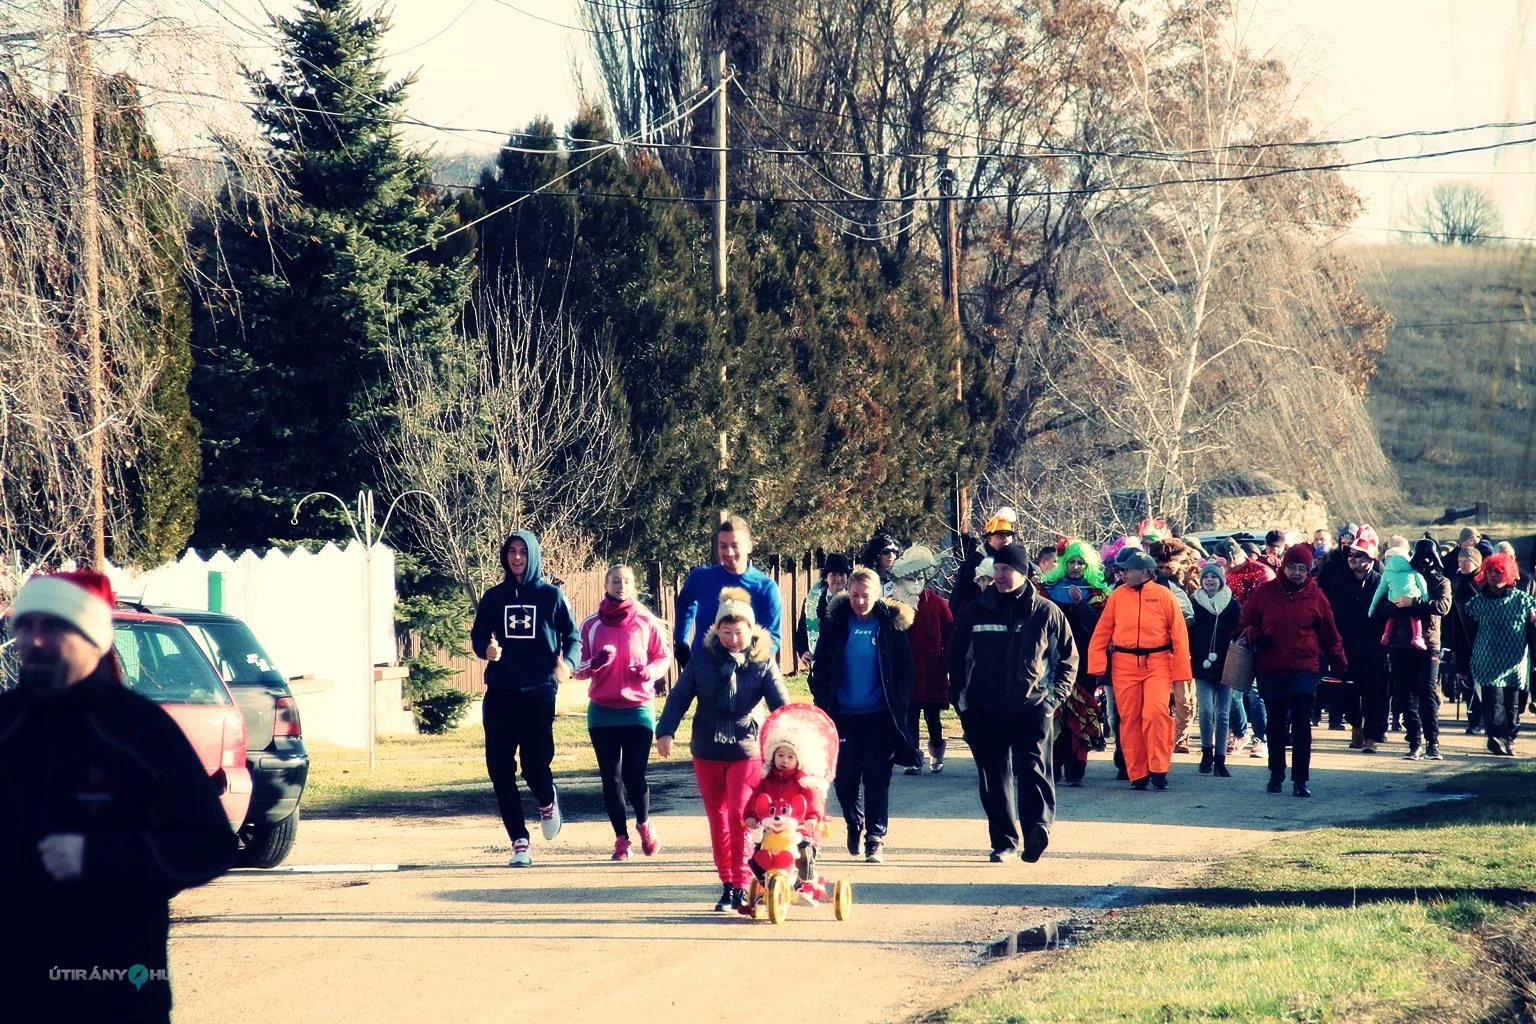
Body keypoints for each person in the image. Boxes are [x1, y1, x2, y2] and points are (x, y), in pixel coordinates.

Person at [1, 570, 236, 1022]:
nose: (34, 640)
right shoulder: (6, 724)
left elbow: (209, 845)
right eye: (25, 626)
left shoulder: (139, 730)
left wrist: (98, 857)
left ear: (92, 636)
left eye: (54, 625)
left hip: (112, 984)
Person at [656, 587, 790, 911]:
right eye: (726, 632)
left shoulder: (762, 661)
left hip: (746, 748)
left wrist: (791, 736)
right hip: (707, 748)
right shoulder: (703, 658)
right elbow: (679, 695)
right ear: (717, 630)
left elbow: (780, 705)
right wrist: (666, 731)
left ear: (750, 629)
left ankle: (743, 883)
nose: (732, 639)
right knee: (717, 818)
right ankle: (727, 884)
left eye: (738, 632)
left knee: (740, 815)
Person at [949, 543, 1078, 862]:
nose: (1000, 575)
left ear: (1023, 573)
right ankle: (1004, 841)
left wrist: (1052, 700)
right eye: (997, 569)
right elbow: (956, 659)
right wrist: (962, 703)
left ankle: (1037, 830)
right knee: (994, 777)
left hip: (1032, 707)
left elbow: (1067, 659)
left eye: (1006, 570)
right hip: (984, 708)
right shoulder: (975, 610)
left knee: (1033, 770)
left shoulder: (1046, 612)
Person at [471, 530, 581, 867]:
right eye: (512, 551)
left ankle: (547, 801)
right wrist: (486, 649)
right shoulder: (494, 597)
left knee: (534, 765)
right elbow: (478, 635)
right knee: (499, 768)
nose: (517, 557)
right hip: (501, 692)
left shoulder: (550, 596)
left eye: (522, 552)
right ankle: (520, 842)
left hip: (539, 691)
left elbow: (573, 637)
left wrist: (568, 663)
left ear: (532, 555)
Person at [809, 567, 918, 863]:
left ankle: (875, 838)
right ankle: (854, 821)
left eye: (865, 596)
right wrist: (822, 699)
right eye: (855, 595)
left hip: (880, 717)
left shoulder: (890, 627)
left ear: (877, 595)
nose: (859, 601)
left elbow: (905, 671)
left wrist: (900, 704)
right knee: (845, 780)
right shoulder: (835, 624)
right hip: (842, 717)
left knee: (876, 779)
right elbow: (821, 666)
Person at [574, 564, 672, 861]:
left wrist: (649, 672)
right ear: (606, 585)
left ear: (633, 586)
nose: (621, 586)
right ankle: (621, 839)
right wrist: (595, 663)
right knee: (611, 778)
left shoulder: (645, 620)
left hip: (638, 709)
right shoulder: (591, 624)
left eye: (626, 581)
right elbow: (576, 668)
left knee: (633, 775)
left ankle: (644, 823)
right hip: (602, 711)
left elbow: (663, 657)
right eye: (615, 581)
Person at [1237, 544, 1348, 797]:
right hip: (1271, 665)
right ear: (1284, 567)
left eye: (1302, 569)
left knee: (1301, 721)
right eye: (1292, 568)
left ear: (1308, 571)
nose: (1297, 573)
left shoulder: (1316, 596)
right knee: (1276, 722)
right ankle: (1276, 774)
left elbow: (1330, 634)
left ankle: (1300, 779)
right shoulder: (1265, 593)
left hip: (1303, 665)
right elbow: (1244, 622)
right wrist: (1256, 634)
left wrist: (1340, 664)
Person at [1086, 549, 1193, 792]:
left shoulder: (1164, 595)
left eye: (1128, 570)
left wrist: (1181, 674)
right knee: (1130, 719)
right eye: (1122, 570)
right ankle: (1138, 773)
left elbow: (1179, 635)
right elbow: (1103, 630)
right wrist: (1097, 666)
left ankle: (1158, 769)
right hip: (1124, 663)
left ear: (1144, 572)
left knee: (1155, 714)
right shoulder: (1117, 595)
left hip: (1158, 661)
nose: (1123, 574)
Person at [1039, 539, 1109, 786]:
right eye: (1072, 562)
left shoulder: (1098, 593)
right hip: (1053, 660)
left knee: (1080, 714)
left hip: (1085, 663)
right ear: (1064, 563)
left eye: (1081, 563)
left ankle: (1076, 767)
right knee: (1054, 713)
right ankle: (1054, 765)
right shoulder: (1047, 590)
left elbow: (1099, 627)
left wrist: (1080, 603)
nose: (1076, 567)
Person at [675, 516, 784, 666]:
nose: (729, 552)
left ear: (749, 546)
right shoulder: (700, 578)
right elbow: (685, 604)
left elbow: (772, 638)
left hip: (746, 671)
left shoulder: (765, 588)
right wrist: (681, 641)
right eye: (723, 546)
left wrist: (749, 662)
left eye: (735, 545)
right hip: (703, 669)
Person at [888, 546, 955, 775]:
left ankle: (937, 751)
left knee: (933, 718)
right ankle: (913, 757)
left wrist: (944, 660)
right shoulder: (897, 604)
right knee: (911, 716)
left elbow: (951, 634)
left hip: (933, 671)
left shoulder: (938, 604)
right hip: (909, 671)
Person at [1320, 525, 1386, 752]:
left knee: (1374, 692)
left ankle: (1372, 736)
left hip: (1374, 647)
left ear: (1370, 559)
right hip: (1345, 645)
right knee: (1348, 690)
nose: (1352, 558)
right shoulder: (1338, 580)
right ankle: (1356, 724)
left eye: (1358, 555)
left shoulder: (1380, 583)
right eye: (1351, 554)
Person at [1465, 553, 1536, 757]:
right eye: (1489, 571)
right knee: (1493, 702)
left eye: (1498, 571)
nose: (1493, 575)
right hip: (1487, 661)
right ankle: (1496, 738)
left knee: (1513, 705)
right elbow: (1466, 632)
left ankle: (1510, 739)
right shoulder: (1477, 602)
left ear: (1508, 574)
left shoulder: (1524, 601)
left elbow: (1533, 630)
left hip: (1515, 662)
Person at [1388, 539, 1453, 761]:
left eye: (1429, 557)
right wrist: (1398, 603)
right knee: (1405, 694)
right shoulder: (1403, 577)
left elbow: (1443, 606)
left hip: (1428, 644)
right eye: (1421, 557)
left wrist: (1413, 603)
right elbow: (1386, 605)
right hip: (1401, 643)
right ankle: (1414, 741)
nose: (1425, 561)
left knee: (1427, 692)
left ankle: (1432, 742)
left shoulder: (1441, 581)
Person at [743, 736, 827, 905]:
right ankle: (765, 883)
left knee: (803, 853)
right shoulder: (767, 780)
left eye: (790, 757)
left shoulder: (804, 781)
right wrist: (751, 815)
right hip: (771, 828)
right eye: (780, 755)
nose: (784, 760)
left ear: (798, 760)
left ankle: (804, 884)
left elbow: (813, 800)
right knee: (756, 856)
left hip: (798, 828)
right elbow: (756, 799)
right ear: (772, 756)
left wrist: (812, 817)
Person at [1191, 561, 1242, 777]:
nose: (1209, 580)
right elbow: (1188, 633)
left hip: (1226, 664)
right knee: (1205, 711)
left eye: (1214, 577)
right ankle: (1206, 753)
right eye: (1206, 577)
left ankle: (1220, 759)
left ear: (1221, 580)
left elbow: (1240, 632)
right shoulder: (1194, 603)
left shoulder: (1232, 605)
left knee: (1222, 714)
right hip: (1202, 664)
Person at [1148, 539, 1198, 753]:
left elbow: (1192, 617)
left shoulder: (1190, 584)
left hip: (1183, 648)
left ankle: (1181, 737)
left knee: (1184, 698)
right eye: (1159, 567)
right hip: (1157, 649)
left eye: (1168, 567)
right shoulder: (1151, 585)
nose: (1164, 571)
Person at [1445, 545, 1484, 733]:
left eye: (1465, 561)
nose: (1461, 564)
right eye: (1459, 561)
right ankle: (1473, 721)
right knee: (1466, 680)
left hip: (1481, 637)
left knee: (1482, 682)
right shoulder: (1456, 581)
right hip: (1461, 637)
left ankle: (1483, 719)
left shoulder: (1482, 582)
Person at [951, 507, 1017, 611]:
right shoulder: (975, 561)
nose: (1006, 539)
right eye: (1001, 536)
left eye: (1009, 535)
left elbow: (1036, 573)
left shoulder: (1016, 559)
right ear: (989, 539)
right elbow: (959, 596)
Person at [795, 553, 852, 671]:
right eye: (834, 574)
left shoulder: (855, 601)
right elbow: (802, 632)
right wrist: (803, 651)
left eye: (842, 574)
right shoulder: (812, 603)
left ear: (847, 577)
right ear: (826, 577)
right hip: (821, 667)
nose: (838, 579)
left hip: (848, 665)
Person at [1370, 543, 1430, 652]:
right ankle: (1417, 637)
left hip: (1394, 602)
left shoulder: (1387, 574)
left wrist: (1372, 609)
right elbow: (1423, 587)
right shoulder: (1413, 572)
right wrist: (1425, 599)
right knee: (1414, 617)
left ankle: (1386, 634)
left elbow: (1379, 593)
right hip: (1411, 601)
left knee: (1391, 618)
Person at [1218, 538, 1274, 604]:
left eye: (1220, 561)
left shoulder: (1262, 573)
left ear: (1231, 561)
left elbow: (1269, 602)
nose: (1217, 564)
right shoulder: (1219, 573)